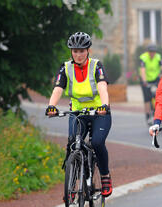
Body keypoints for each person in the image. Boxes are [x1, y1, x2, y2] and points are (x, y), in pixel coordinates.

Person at [45, 32, 113, 197]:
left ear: (88, 50)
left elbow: (102, 86)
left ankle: (105, 176)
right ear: (71, 52)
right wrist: (51, 106)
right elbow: (58, 88)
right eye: (75, 51)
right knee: (72, 144)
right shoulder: (66, 67)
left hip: (99, 112)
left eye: (82, 51)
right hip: (77, 112)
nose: (78, 54)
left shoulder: (96, 65)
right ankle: (73, 184)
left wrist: (105, 105)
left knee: (97, 142)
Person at [139, 43, 162, 125]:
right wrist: (144, 81)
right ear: (148, 52)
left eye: (153, 52)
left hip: (155, 79)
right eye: (150, 52)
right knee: (147, 99)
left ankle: (158, 113)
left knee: (158, 97)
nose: (152, 53)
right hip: (146, 80)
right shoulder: (143, 57)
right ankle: (148, 116)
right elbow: (143, 70)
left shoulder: (158, 57)